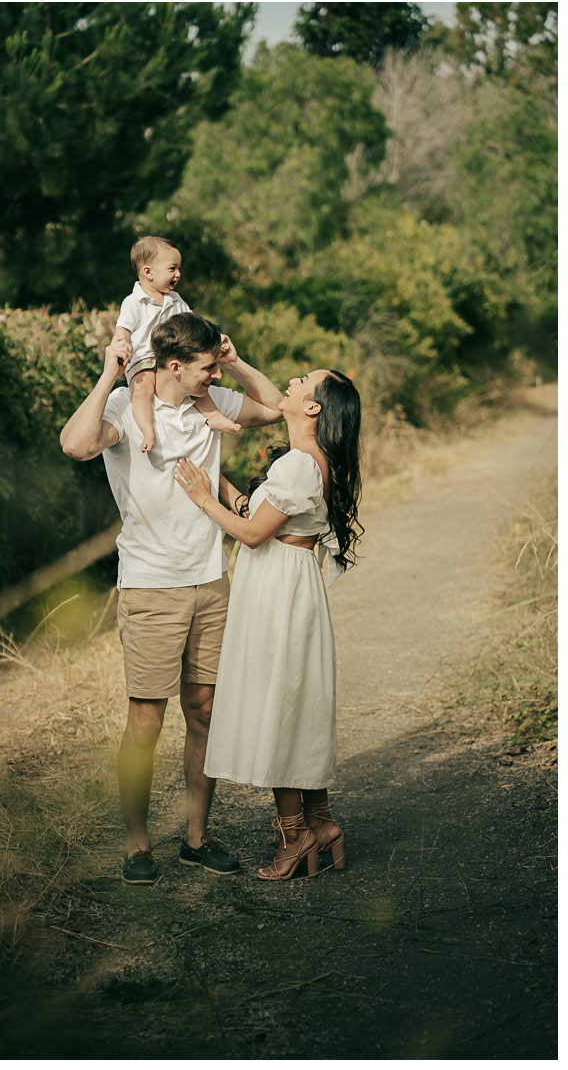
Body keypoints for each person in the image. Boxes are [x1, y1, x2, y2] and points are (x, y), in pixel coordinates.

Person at [60, 312, 284, 884]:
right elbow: (74, 444)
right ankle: (137, 844)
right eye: (206, 368)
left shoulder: (210, 403)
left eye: (216, 367)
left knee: (205, 712)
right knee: (146, 720)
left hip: (211, 580)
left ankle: (195, 836)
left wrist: (233, 362)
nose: (213, 376)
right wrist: (110, 373)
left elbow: (275, 406)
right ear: (174, 366)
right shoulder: (126, 411)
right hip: (150, 585)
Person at [175, 367, 362, 881]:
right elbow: (257, 510)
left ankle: (294, 835)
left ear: (315, 407)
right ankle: (320, 824)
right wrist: (217, 481)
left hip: (278, 592)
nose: (290, 384)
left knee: (281, 706)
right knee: (296, 705)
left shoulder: (301, 464)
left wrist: (200, 498)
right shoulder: (302, 462)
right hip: (285, 585)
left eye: (302, 381)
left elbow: (253, 534)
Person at [114, 235, 241, 453]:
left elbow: (194, 327)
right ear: (148, 272)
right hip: (144, 359)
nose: (178, 274)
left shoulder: (176, 300)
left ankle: (214, 416)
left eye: (179, 268)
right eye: (172, 268)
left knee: (195, 387)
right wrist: (122, 344)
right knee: (142, 391)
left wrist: (213, 339)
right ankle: (147, 430)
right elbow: (122, 330)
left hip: (174, 358)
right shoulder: (134, 302)